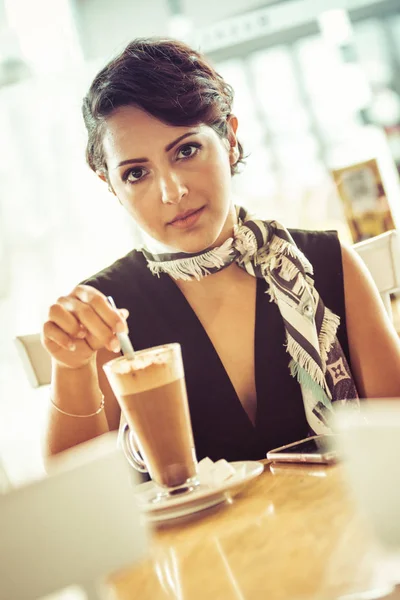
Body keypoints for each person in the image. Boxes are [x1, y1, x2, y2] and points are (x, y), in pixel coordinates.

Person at [42, 38, 400, 463]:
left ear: (229, 138)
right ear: (111, 186)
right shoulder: (103, 314)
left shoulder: (326, 263)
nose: (172, 192)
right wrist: (71, 368)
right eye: (136, 173)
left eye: (186, 150)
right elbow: (78, 495)